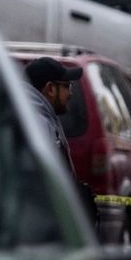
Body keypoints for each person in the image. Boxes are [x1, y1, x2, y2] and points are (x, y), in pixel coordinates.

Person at [24, 57, 98, 224]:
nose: (71, 93)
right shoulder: (39, 123)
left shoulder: (41, 117)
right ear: (50, 89)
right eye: (67, 86)